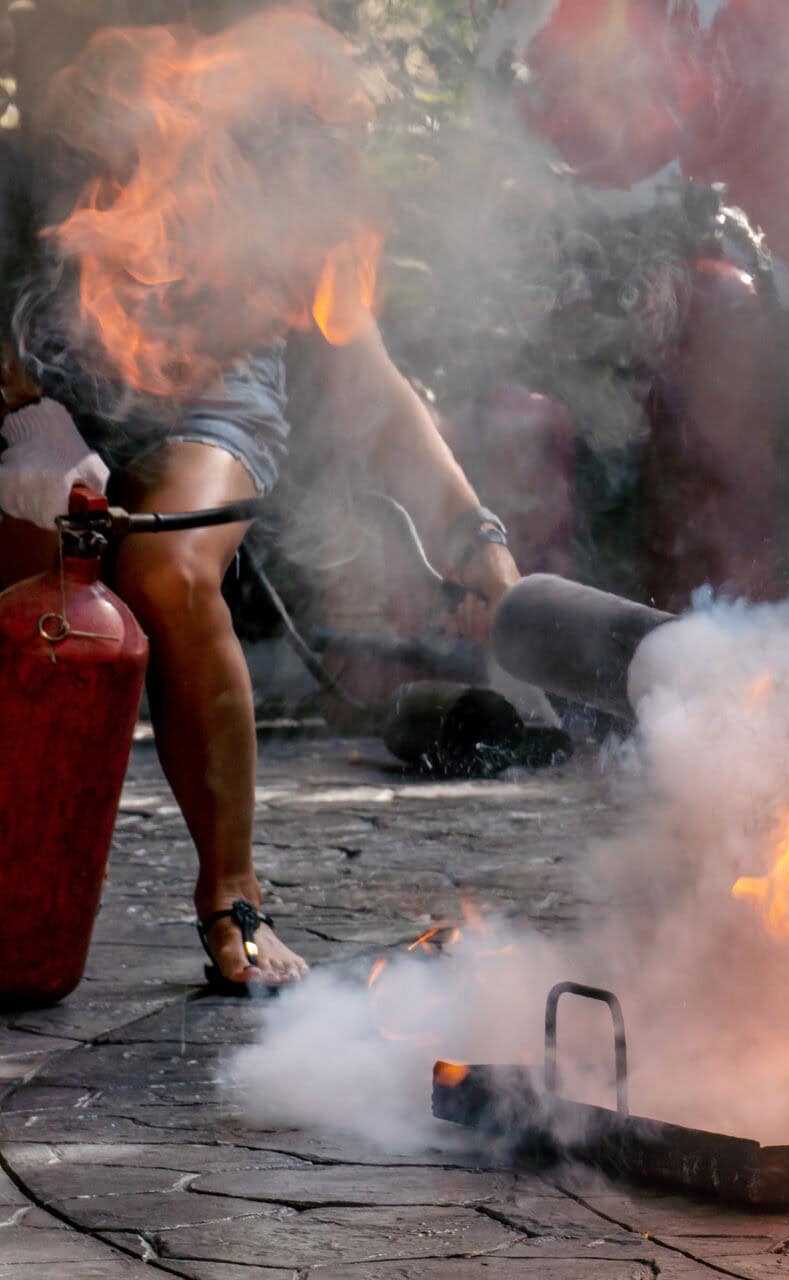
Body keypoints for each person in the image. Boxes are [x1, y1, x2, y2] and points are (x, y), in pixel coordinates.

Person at [0, 8, 521, 993]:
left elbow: (369, 385)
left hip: (209, 400)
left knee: (169, 567)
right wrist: (29, 421)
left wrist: (472, 535)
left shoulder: (297, 173)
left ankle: (231, 884)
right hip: (36, 388)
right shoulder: (28, 165)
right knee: (25, 605)